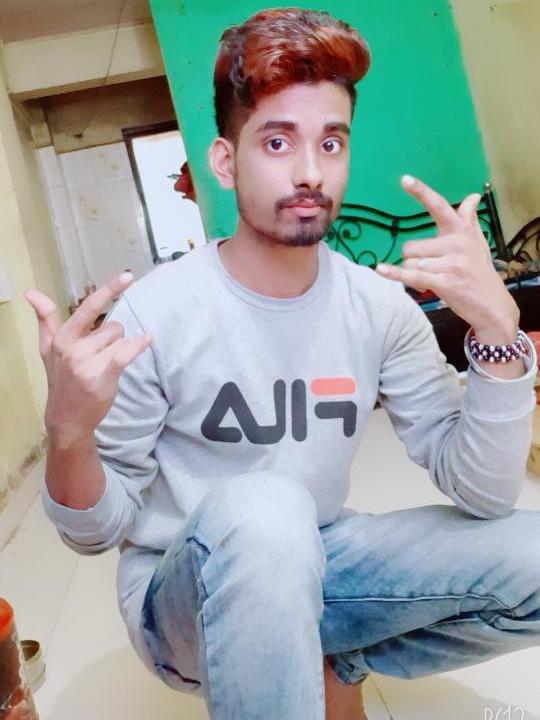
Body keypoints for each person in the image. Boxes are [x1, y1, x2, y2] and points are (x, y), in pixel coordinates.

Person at [24, 8, 540, 720]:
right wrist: (69, 435)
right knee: (267, 511)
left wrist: (499, 334)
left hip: (322, 557)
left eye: (331, 142)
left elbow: (483, 495)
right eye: (276, 141)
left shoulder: (379, 307)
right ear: (225, 162)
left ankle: (330, 654)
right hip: (183, 596)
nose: (310, 173)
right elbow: (96, 532)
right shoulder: (155, 314)